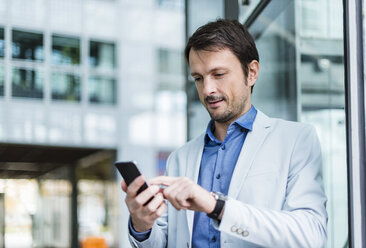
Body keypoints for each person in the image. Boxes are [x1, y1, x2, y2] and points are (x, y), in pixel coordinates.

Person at [121, 19, 327, 248]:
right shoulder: (180, 157)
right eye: (198, 78)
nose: (207, 89)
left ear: (252, 73)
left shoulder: (296, 139)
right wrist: (141, 225)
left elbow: (312, 235)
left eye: (218, 74)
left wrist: (215, 206)